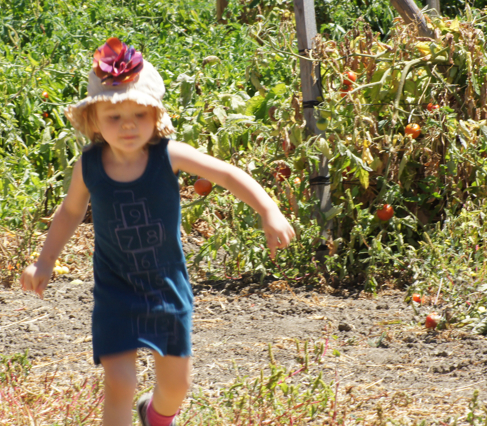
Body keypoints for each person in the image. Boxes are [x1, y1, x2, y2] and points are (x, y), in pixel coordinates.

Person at [20, 38, 295, 426]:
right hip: (115, 288)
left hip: (166, 288)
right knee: (119, 381)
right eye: (115, 117)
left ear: (155, 116)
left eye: (139, 115)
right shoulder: (90, 165)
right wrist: (44, 260)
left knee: (176, 387)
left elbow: (228, 174)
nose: (128, 125)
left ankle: (155, 416)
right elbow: (70, 211)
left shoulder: (170, 155)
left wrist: (268, 209)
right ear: (94, 120)